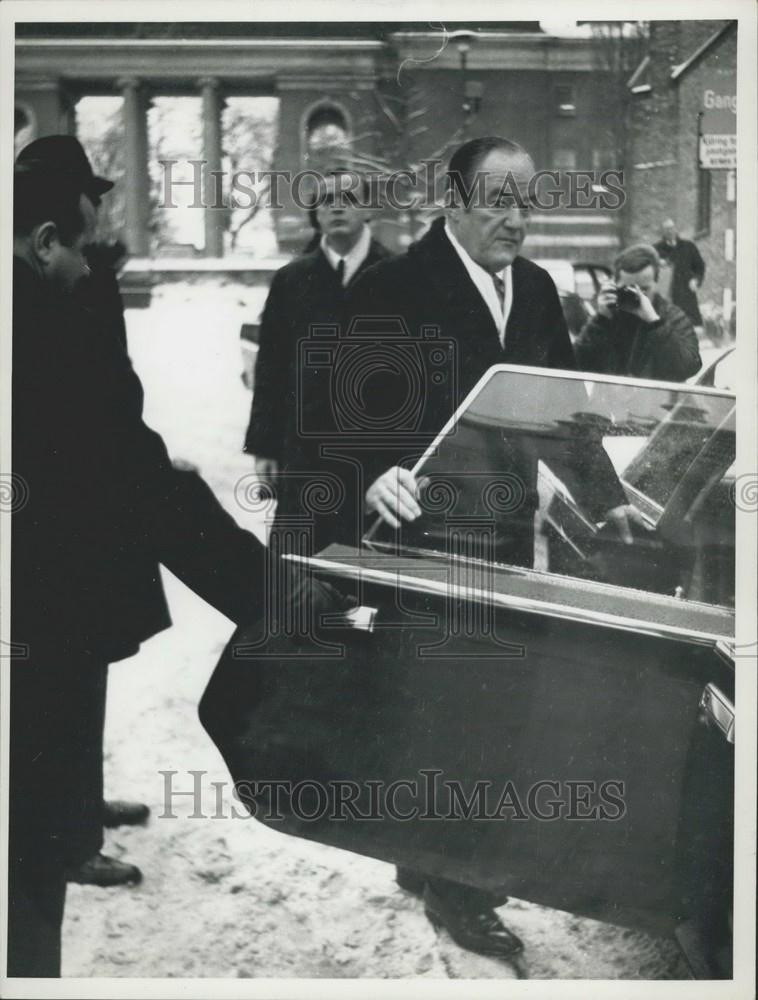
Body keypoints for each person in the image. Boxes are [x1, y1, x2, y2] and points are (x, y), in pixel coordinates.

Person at [340, 136, 646, 960]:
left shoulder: (539, 291)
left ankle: (435, 865)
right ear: (452, 203)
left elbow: (568, 414)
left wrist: (607, 501)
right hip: (422, 538)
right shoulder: (393, 287)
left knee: (478, 707)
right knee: (447, 709)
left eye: (527, 202)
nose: (518, 219)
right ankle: (459, 890)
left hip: (506, 533)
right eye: (499, 202)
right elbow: (339, 413)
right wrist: (371, 473)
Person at [10, 155, 268, 977]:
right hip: (32, 628)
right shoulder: (42, 329)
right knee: (25, 879)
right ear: (45, 241)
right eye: (82, 249)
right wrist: (271, 596)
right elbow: (124, 467)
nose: (92, 267)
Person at [16, 135, 148, 889]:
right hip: (66, 516)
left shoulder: (79, 271)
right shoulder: (60, 281)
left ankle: (80, 806)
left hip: (88, 505)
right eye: (88, 197)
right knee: (59, 679)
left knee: (82, 671)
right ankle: (66, 831)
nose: (99, 210)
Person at [243, 169, 391, 554]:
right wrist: (265, 447)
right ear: (315, 214)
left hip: (376, 464)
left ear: (370, 208)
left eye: (349, 198)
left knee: (367, 580)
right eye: (326, 200)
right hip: (304, 457)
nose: (337, 207)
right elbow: (271, 369)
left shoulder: (400, 276)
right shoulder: (292, 280)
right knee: (293, 582)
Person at [574, 243, 701, 382]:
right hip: (610, 401)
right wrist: (600, 320)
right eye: (628, 289)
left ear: (656, 283)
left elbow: (690, 367)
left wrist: (655, 323)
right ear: (615, 284)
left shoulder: (672, 316)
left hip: (656, 402)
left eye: (644, 289)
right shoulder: (608, 317)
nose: (636, 295)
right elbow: (576, 364)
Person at [654, 218, 705, 330]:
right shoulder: (656, 250)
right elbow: (650, 271)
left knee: (689, 327)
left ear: (676, 229)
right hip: (666, 296)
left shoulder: (688, 246)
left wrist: (696, 280)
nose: (670, 231)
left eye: (672, 228)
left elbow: (699, 266)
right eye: (666, 229)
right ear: (662, 232)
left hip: (686, 294)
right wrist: (658, 263)